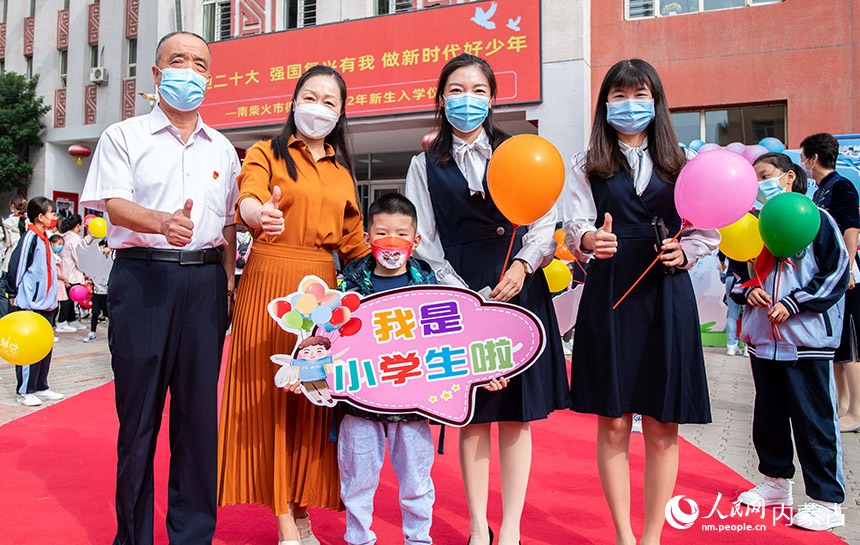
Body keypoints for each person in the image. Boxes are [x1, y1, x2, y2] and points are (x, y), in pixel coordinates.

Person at [80, 31, 239, 545]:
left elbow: (229, 224)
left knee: (198, 420)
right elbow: (113, 203)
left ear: (209, 78)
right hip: (144, 278)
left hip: (205, 284)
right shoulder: (124, 136)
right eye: (178, 60)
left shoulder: (223, 149)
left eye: (199, 64)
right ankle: (133, 537)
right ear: (156, 73)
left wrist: (228, 283)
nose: (188, 71)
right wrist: (161, 222)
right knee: (140, 418)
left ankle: (192, 535)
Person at [405, 54, 570, 545]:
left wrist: (523, 265)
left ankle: (512, 528)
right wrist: (456, 291)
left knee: (517, 416)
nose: (467, 100)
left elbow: (543, 221)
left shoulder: (519, 151)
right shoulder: (423, 164)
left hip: (519, 288)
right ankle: (479, 527)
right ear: (441, 99)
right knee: (473, 416)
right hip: (457, 293)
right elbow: (422, 237)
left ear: (493, 98)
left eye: (478, 90)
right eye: (456, 90)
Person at [560, 59, 717, 545]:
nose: (630, 105)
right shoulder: (586, 163)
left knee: (663, 421)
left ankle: (652, 536)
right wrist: (590, 240)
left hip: (666, 292)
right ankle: (623, 535)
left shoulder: (683, 164)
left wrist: (686, 251)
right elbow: (574, 224)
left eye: (640, 95)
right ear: (605, 104)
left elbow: (706, 230)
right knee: (613, 420)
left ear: (657, 101)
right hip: (611, 291)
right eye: (620, 96)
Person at [217, 64, 368, 545]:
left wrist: (397, 256)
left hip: (321, 291)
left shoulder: (342, 174)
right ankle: (286, 522)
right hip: (270, 282)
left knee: (311, 399)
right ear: (294, 101)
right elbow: (249, 198)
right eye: (310, 97)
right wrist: (258, 214)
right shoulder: (267, 152)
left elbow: (355, 245)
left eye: (329, 101)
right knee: (272, 397)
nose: (318, 108)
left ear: (341, 112)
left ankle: (299, 509)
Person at [733, 152, 848, 531]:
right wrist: (746, 292)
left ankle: (827, 500)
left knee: (814, 420)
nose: (759, 184)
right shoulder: (751, 224)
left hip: (806, 339)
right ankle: (775, 483)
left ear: (787, 178)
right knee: (768, 418)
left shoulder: (817, 219)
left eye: (765, 175)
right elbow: (735, 273)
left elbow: (837, 272)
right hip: (762, 339)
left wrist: (796, 302)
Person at [336, 193, 437, 545]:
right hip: (360, 403)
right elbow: (329, 335)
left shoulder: (430, 289)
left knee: (416, 480)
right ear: (367, 238)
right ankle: (358, 539)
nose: (391, 242)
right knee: (357, 480)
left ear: (416, 240)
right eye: (382, 233)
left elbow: (452, 341)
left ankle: (418, 539)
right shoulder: (348, 287)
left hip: (412, 405)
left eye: (401, 233)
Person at [802, 132, 860, 434]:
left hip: (845, 274)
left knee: (852, 343)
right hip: (827, 274)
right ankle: (842, 405)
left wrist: (847, 269)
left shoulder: (841, 186)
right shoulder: (819, 192)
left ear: (814, 158)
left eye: (804, 157)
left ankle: (857, 410)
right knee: (837, 346)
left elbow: (852, 229)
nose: (803, 163)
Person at [11, 197, 64, 407]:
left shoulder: (45, 238)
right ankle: (25, 390)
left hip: (47, 303)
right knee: (29, 348)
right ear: (40, 217)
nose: (55, 217)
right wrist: (14, 292)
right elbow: (18, 266)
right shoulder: (30, 237)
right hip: (31, 303)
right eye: (52, 213)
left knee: (44, 347)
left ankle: (41, 385)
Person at [56, 214, 88, 332]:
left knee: (69, 298)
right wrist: (85, 269)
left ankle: (71, 319)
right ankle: (62, 322)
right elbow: (78, 257)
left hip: (64, 270)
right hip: (72, 272)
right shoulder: (74, 239)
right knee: (68, 299)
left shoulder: (64, 236)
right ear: (78, 225)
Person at [1, 195, 28, 317]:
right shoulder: (28, 222)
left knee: (5, 294)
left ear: (12, 206)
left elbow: (7, 243)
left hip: (10, 261)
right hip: (24, 261)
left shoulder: (7, 223)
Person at [718, 251, 746, 356]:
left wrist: (722, 268)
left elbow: (721, 254)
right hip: (746, 278)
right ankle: (748, 347)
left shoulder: (730, 244)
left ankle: (731, 346)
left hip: (731, 277)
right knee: (747, 314)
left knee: (732, 315)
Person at [83, 239, 111, 343]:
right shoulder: (97, 259)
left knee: (109, 314)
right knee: (95, 312)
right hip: (97, 290)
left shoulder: (112, 259)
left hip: (108, 292)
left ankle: (114, 334)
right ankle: (92, 332)